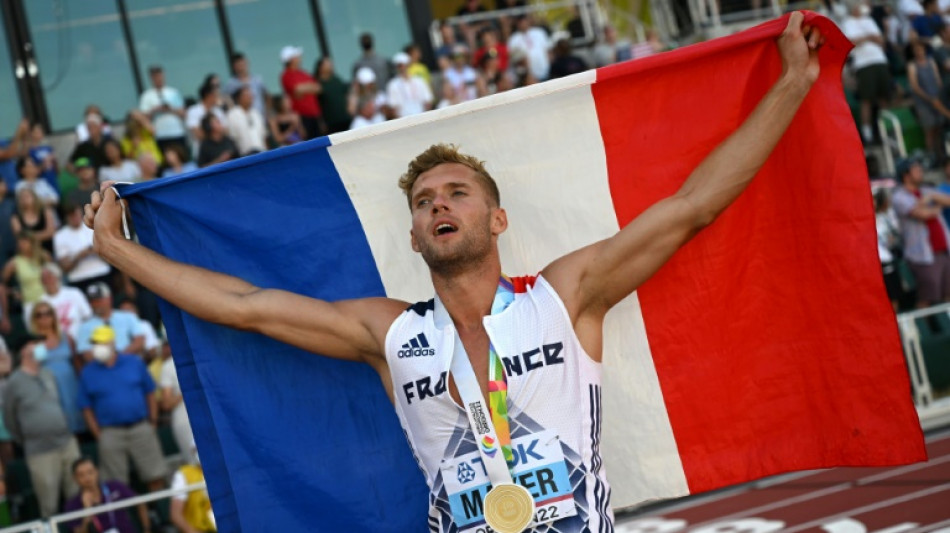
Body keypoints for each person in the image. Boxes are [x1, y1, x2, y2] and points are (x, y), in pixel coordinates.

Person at [83, 15, 824, 531]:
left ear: (496, 220)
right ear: (412, 234)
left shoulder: (566, 298)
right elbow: (246, 305)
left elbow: (689, 208)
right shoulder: (392, 332)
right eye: (425, 201)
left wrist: (791, 83)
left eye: (456, 194)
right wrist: (119, 251)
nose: (440, 205)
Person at [78, 326, 166, 491]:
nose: (97, 347)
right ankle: (125, 517)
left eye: (101, 342)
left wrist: (152, 421)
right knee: (115, 484)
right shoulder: (88, 372)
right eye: (95, 343)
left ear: (112, 343)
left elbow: (150, 392)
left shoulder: (133, 362)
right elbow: (86, 407)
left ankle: (159, 513)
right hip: (110, 432)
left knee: (155, 474)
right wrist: (98, 433)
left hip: (140, 426)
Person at [2, 336, 81, 517]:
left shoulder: (48, 374)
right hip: (40, 450)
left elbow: (60, 403)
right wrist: (29, 438)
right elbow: (10, 420)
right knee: (49, 503)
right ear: (24, 351)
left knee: (76, 497)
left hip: (66, 442)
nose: (41, 347)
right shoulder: (13, 382)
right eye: (36, 345)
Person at [892, 158, 950, 307]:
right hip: (922, 256)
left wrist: (931, 198)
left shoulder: (926, 191)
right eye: (916, 170)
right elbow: (921, 214)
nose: (920, 172)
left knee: (947, 293)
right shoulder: (899, 196)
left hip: (943, 251)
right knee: (928, 297)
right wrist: (937, 206)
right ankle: (925, 328)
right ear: (906, 175)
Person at [840, 0, 891, 144]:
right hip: (863, 64)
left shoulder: (868, 20)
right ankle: (867, 133)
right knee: (866, 99)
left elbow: (880, 40)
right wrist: (869, 37)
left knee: (883, 96)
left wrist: (865, 38)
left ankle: (884, 129)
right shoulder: (847, 22)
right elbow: (851, 42)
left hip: (879, 60)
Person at [30, 300, 84, 432]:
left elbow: (77, 363)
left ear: (53, 316)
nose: (44, 317)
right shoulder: (32, 342)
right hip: (48, 389)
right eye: (39, 315)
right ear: (34, 319)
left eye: (47, 313)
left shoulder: (67, 337)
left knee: (77, 424)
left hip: (70, 385)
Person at [63, 457, 146, 533]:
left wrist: (147, 529)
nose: (87, 478)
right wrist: (87, 510)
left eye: (90, 472)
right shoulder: (72, 504)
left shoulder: (114, 486)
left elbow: (139, 502)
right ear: (75, 478)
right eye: (81, 475)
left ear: (97, 471)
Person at [55, 203, 112, 296]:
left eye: (77, 214)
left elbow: (111, 256)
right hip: (78, 279)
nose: (75, 218)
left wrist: (96, 251)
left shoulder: (94, 227)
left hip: (101, 273)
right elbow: (65, 267)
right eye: (72, 216)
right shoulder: (60, 236)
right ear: (66, 217)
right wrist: (80, 255)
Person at [76, 283, 144, 360]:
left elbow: (139, 341)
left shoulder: (128, 317)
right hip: (101, 366)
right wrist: (108, 360)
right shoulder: (84, 326)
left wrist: (118, 358)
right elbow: (86, 354)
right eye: (92, 301)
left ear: (109, 299)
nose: (95, 304)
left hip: (128, 360)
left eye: (98, 300)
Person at [907, 41, 947, 162]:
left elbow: (938, 80)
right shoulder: (912, 65)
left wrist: (940, 97)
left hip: (936, 99)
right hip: (923, 102)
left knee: (940, 127)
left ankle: (941, 154)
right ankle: (931, 156)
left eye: (921, 49)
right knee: (929, 129)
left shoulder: (931, 61)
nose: (919, 51)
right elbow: (915, 86)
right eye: (916, 49)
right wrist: (929, 98)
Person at [139, 65, 188, 156]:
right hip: (160, 135)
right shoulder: (147, 96)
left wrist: (170, 109)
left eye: (160, 76)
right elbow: (144, 118)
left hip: (176, 132)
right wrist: (155, 109)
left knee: (182, 157)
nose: (159, 79)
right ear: (151, 78)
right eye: (156, 76)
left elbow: (183, 113)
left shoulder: (173, 92)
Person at [39, 262, 93, 342]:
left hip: (82, 337)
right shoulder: (41, 301)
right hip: (58, 343)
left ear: (58, 277)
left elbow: (88, 315)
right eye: (44, 279)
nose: (47, 281)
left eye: (50, 277)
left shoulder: (74, 293)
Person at [280, 46, 324, 140]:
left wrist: (303, 88)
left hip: (315, 115)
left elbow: (318, 88)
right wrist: (309, 87)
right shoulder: (286, 75)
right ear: (290, 59)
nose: (299, 58)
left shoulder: (303, 73)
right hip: (302, 118)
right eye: (296, 56)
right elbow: (297, 90)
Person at [2, 232, 50, 317]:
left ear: (32, 242)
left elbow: (55, 274)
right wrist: (13, 293)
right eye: (19, 243)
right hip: (29, 303)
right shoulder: (14, 263)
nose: (21, 245)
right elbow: (2, 284)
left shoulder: (44, 256)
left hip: (49, 299)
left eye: (24, 242)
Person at [169, 447, 215, 533]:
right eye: (196, 450)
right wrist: (192, 531)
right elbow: (175, 514)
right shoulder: (183, 474)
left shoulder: (222, 471)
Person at [386, 52, 434, 119]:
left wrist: (424, 118)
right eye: (399, 66)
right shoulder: (393, 85)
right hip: (403, 121)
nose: (402, 68)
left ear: (408, 65)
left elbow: (428, 101)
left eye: (404, 65)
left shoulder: (419, 81)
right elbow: (393, 109)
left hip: (422, 118)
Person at [11, 187, 56, 254]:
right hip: (27, 252)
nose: (24, 199)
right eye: (22, 197)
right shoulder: (15, 217)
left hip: (46, 250)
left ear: (34, 197)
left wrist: (29, 238)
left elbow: (51, 232)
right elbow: (20, 236)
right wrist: (41, 235)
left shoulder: (46, 211)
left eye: (27, 196)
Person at [223, 52, 269, 119]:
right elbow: (226, 98)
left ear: (247, 63)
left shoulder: (257, 80)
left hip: (261, 117)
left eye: (242, 63)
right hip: (245, 120)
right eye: (238, 64)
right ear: (234, 67)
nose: (241, 66)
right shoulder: (231, 84)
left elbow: (266, 96)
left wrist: (267, 112)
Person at [314, 57, 352, 134]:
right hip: (331, 123)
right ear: (321, 67)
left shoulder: (336, 79)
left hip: (345, 118)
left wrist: (350, 105)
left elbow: (347, 93)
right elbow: (316, 105)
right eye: (327, 64)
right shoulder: (317, 84)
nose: (331, 65)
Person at [226, 86, 266, 156]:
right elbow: (232, 138)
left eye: (251, 95)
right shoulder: (232, 114)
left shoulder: (256, 113)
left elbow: (263, 136)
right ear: (238, 98)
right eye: (246, 95)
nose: (250, 97)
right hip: (244, 156)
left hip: (261, 154)